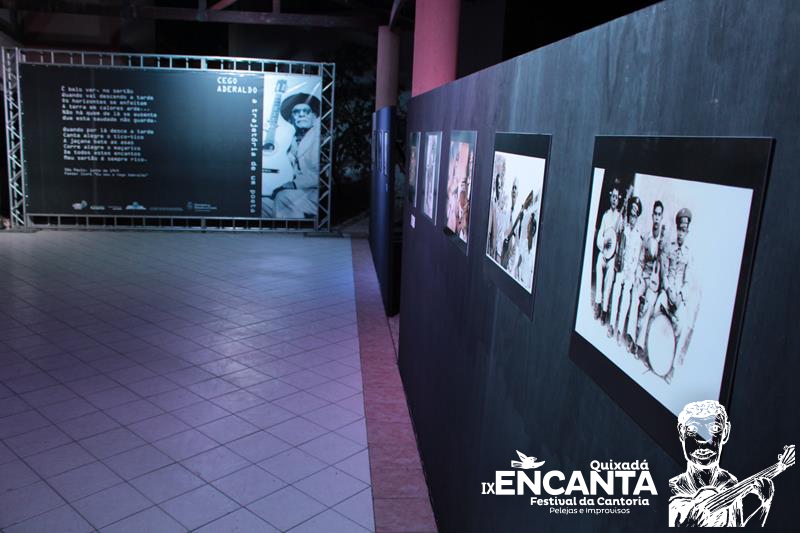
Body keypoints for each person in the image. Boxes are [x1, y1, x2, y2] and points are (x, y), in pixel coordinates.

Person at [669, 400, 774, 527]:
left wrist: (765, 504)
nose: (704, 441)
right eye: (692, 429)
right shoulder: (672, 488)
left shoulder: (732, 483)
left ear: (725, 432)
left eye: (714, 428)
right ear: (681, 432)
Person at [654, 207, 698, 383]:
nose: (681, 233)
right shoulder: (669, 248)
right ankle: (654, 352)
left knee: (684, 325)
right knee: (657, 306)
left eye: (684, 230)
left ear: (687, 232)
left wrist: (679, 297)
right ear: (677, 228)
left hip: (679, 297)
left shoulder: (689, 254)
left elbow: (688, 282)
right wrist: (668, 290)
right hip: (668, 292)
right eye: (679, 229)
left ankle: (671, 367)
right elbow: (664, 273)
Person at [263, 92, 321, 219]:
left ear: (314, 116)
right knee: (263, 202)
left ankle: (291, 230)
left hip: (316, 193)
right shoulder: (291, 140)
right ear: (291, 118)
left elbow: (320, 174)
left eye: (306, 111)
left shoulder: (319, 136)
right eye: (296, 112)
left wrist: (294, 185)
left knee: (284, 197)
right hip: (299, 192)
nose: (301, 114)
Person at [608, 196, 643, 345]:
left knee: (627, 294)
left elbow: (636, 258)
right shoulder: (625, 229)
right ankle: (611, 325)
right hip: (621, 268)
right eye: (631, 215)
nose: (632, 218)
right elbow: (619, 247)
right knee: (617, 287)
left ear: (637, 217)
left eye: (635, 215)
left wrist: (631, 272)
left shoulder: (638, 236)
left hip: (630, 272)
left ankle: (620, 330)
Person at [633, 200, 665, 358]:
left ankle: (638, 344)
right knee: (635, 295)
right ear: (652, 216)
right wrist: (638, 277)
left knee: (650, 302)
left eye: (659, 215)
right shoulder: (646, 237)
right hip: (644, 278)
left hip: (654, 283)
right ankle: (631, 336)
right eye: (655, 214)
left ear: (662, 217)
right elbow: (640, 262)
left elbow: (663, 270)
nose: (657, 217)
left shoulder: (663, 243)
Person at [594, 185, 622, 324]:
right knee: (598, 264)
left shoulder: (620, 218)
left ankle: (605, 310)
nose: (614, 199)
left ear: (619, 200)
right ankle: (598, 303)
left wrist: (615, 252)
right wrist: (603, 242)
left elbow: (620, 239)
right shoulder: (605, 216)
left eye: (617, 197)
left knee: (610, 276)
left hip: (613, 256)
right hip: (604, 252)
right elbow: (600, 235)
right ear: (610, 197)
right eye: (613, 196)